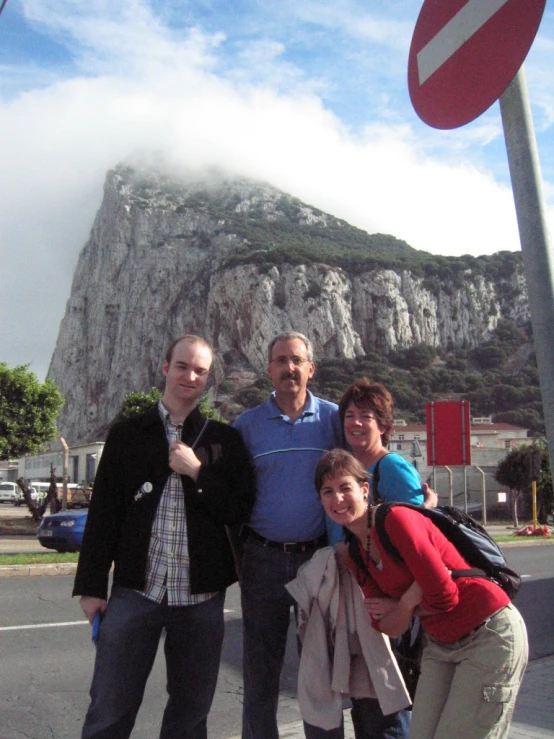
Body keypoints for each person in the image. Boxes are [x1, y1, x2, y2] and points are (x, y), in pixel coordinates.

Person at [73, 334, 256, 739]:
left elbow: (239, 511)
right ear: (164, 368)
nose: (189, 376)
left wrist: (198, 472)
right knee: (109, 709)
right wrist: (90, 587)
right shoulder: (127, 434)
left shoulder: (224, 440)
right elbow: (104, 515)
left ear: (208, 380)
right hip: (135, 593)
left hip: (201, 601)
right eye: (182, 366)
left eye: (200, 371)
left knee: (190, 718)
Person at [316, 449, 529, 739]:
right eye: (328, 491)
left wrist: (401, 605)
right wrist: (409, 600)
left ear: (365, 489)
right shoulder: (356, 552)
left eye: (345, 488)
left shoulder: (396, 520)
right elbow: (386, 626)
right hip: (441, 645)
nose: (337, 499)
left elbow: (445, 597)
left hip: (488, 634)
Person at [233, 331, 344, 739]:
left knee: (322, 672)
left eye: (297, 360)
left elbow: (367, 464)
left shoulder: (334, 420)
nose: (289, 368)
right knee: (260, 673)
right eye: (281, 360)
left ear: (311, 368)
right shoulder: (246, 427)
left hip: (319, 560)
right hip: (262, 560)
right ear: (269, 370)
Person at [338, 379, 435, 739]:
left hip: (389, 606)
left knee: (387, 705)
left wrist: (402, 602)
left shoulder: (390, 468)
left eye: (366, 415)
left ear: (384, 425)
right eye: (350, 415)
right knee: (366, 704)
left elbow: (421, 544)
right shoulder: (349, 471)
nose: (357, 422)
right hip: (360, 599)